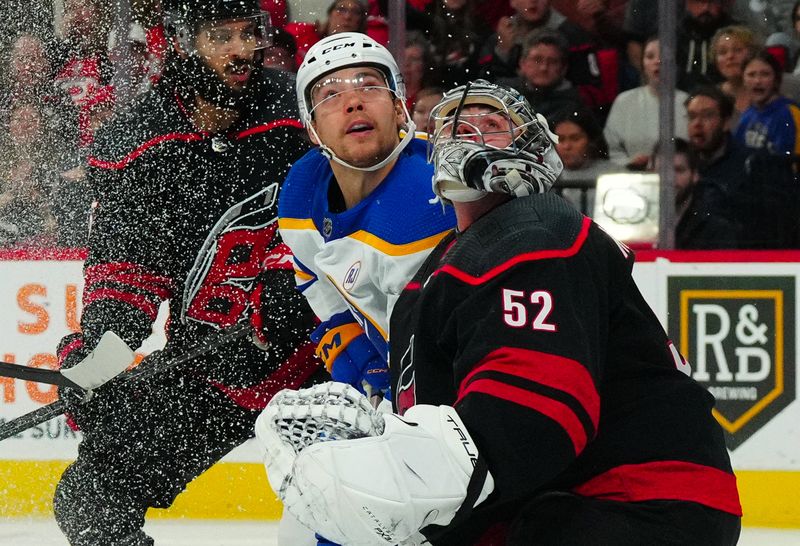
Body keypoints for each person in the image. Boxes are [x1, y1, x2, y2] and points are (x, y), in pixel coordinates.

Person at [256, 79, 742, 546]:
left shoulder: (537, 227)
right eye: (453, 127)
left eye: (491, 124)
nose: (470, 135)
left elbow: (536, 418)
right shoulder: (427, 286)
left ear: (535, 143)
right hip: (558, 505)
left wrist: (395, 471)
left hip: (641, 501)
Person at [51, 2, 324, 545]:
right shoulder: (138, 142)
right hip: (211, 364)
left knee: (364, 505)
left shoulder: (299, 110)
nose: (240, 50)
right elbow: (125, 272)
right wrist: (97, 364)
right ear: (180, 42)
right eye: (220, 37)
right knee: (91, 499)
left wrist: (297, 289)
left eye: (248, 34)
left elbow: (357, 210)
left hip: (320, 358)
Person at [276, 32, 455, 401]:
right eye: (330, 95)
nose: (354, 102)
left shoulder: (433, 198)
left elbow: (449, 347)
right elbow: (312, 270)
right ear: (311, 127)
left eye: (369, 86)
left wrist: (398, 392)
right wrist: (351, 340)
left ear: (398, 107)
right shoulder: (302, 188)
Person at [604, 36, 689, 170]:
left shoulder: (689, 102)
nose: (657, 61)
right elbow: (611, 148)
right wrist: (629, 162)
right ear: (643, 64)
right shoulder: (624, 101)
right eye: (650, 57)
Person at [497, 28, 584, 124]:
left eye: (552, 62)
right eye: (537, 60)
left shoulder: (574, 108)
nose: (544, 68)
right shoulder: (501, 92)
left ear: (563, 69)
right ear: (522, 63)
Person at [551, 107, 619, 214]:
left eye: (575, 138)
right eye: (560, 139)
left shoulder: (616, 175)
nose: (567, 146)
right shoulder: (544, 178)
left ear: (591, 141)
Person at [735, 49, 800, 156]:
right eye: (751, 75)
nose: (757, 81)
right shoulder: (747, 116)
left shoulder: (790, 114)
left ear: (776, 79)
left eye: (765, 74)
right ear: (743, 80)